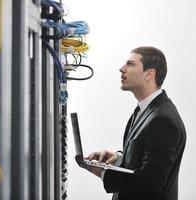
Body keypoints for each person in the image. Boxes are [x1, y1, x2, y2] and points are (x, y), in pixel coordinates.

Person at [76, 46, 186, 200]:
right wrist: (119, 157)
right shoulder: (145, 110)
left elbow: (151, 181)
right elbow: (144, 155)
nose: (121, 69)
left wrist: (102, 173)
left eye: (130, 64)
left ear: (149, 74)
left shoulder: (163, 120)